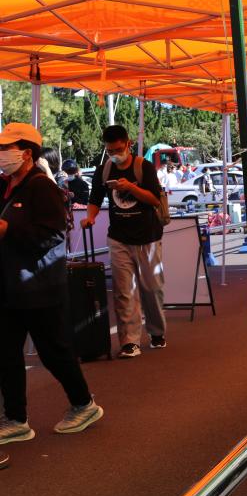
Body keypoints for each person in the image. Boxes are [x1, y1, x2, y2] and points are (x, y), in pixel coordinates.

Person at [0, 122, 104, 445]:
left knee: (53, 352)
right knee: (6, 353)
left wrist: (8, 230)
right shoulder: (6, 185)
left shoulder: (41, 187)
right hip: (10, 286)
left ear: (26, 153)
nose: (1, 154)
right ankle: (15, 419)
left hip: (40, 288)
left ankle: (84, 404)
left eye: (6, 149)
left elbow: (54, 235)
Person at [82, 125, 167, 359]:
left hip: (148, 237)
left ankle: (157, 332)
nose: (114, 154)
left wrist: (130, 187)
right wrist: (90, 217)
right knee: (123, 291)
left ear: (128, 144)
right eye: (110, 151)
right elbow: (95, 198)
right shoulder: (104, 170)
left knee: (152, 289)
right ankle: (129, 341)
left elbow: (154, 199)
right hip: (118, 238)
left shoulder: (143, 167)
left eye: (118, 149)